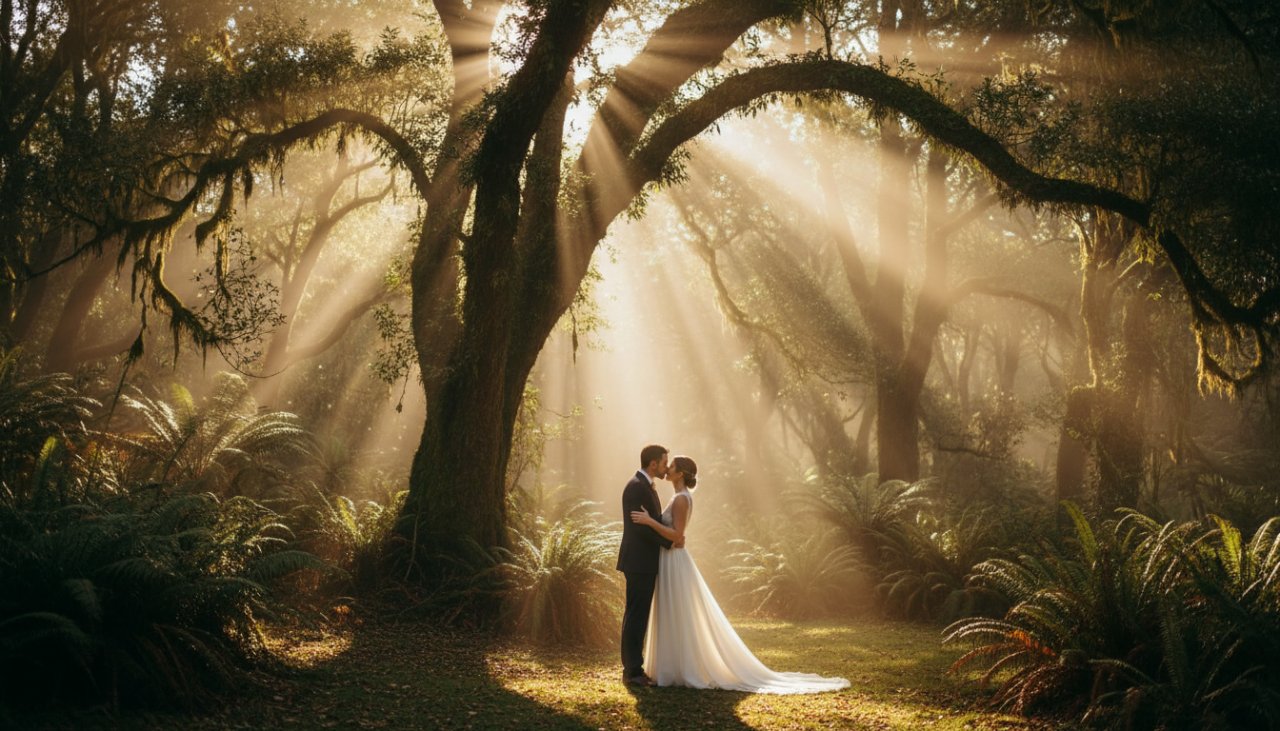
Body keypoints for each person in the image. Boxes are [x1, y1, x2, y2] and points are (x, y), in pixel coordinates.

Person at [630, 455, 849, 693]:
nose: (667, 469)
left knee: (679, 611)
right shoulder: (677, 497)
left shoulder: (682, 499)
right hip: (670, 559)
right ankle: (671, 666)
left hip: (674, 560)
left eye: (670, 466)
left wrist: (649, 522)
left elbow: (678, 536)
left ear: (680, 473)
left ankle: (680, 668)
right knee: (673, 611)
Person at [615, 444, 682, 686]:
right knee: (636, 615)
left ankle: (633, 668)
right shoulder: (636, 487)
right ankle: (632, 671)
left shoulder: (645, 486)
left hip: (644, 561)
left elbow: (649, 521)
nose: (666, 467)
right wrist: (669, 541)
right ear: (653, 463)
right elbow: (640, 527)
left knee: (638, 614)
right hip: (639, 561)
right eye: (664, 463)